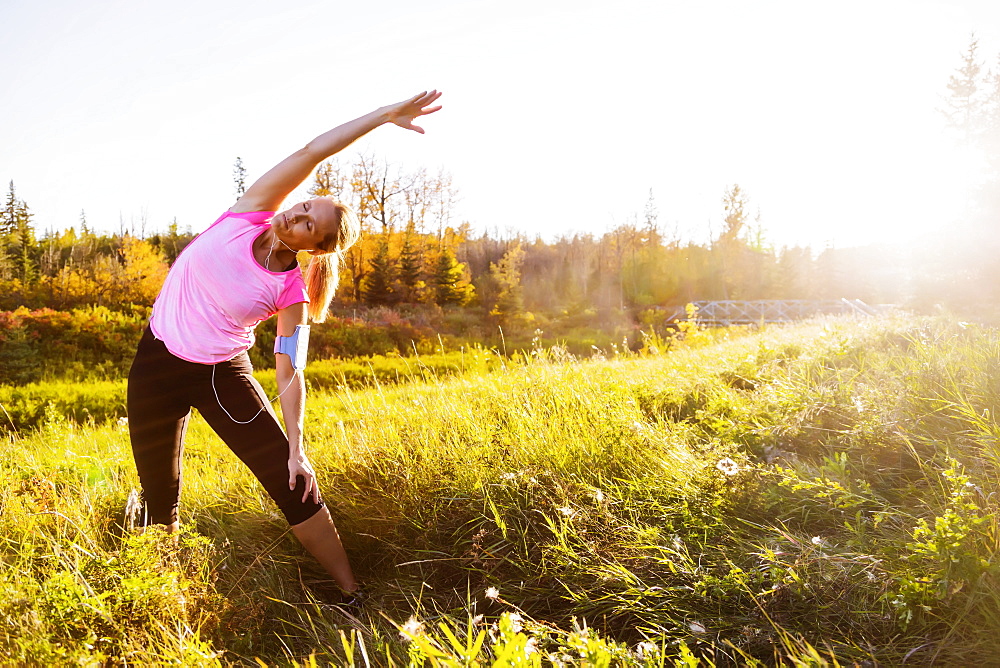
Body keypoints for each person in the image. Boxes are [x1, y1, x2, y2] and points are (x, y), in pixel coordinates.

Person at [126, 90, 443, 598]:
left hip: (218, 376)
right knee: (159, 494)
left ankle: (351, 592)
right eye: (303, 206)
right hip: (155, 364)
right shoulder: (249, 212)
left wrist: (298, 449)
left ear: (312, 247)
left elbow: (290, 368)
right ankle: (157, 594)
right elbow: (311, 153)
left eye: (307, 223)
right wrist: (384, 116)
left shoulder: (290, 292)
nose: (295, 215)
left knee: (292, 482)